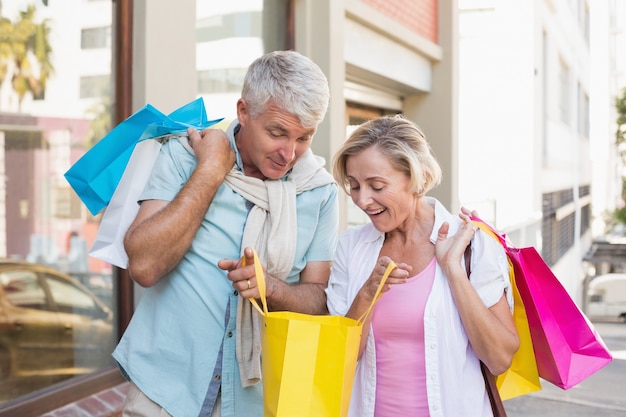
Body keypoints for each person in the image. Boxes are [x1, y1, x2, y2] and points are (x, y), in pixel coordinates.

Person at [112, 50, 339, 417]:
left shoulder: (319, 191)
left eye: (304, 138)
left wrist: (272, 289)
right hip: (164, 390)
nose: (289, 153)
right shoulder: (185, 156)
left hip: (258, 400)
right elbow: (143, 265)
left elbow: (321, 301)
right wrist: (211, 169)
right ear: (244, 112)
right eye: (277, 132)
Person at [325, 115, 520, 417]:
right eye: (354, 186)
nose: (363, 200)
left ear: (417, 179)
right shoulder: (351, 248)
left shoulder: (473, 244)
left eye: (376, 185)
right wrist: (368, 294)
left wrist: (454, 272)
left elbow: (499, 358)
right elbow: (338, 361)